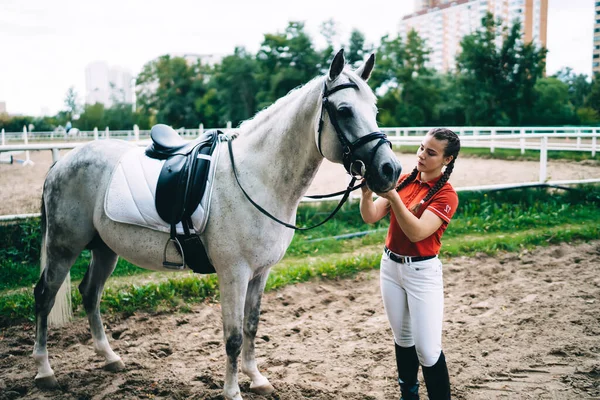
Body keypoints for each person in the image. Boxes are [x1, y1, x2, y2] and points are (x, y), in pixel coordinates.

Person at [359, 128, 460, 400]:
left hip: (422, 273)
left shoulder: (446, 195)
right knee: (403, 339)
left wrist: (393, 197)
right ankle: (409, 396)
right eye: (421, 148)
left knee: (427, 350)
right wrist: (367, 193)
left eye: (431, 152)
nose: (421, 155)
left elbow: (416, 232)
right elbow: (371, 217)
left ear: (446, 160)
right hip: (390, 267)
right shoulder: (405, 180)